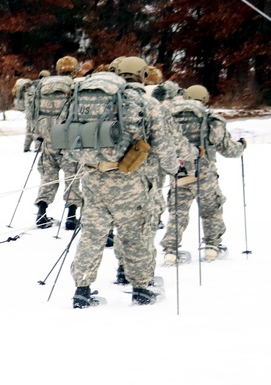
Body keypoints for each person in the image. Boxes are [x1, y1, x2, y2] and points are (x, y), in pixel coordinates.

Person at [57, 58, 191, 308]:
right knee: (135, 234)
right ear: (142, 75)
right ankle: (141, 287)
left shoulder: (85, 96)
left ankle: (82, 289)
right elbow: (163, 146)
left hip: (93, 177)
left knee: (92, 234)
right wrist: (176, 170)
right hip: (131, 180)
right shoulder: (147, 103)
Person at [159, 84, 247, 263]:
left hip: (179, 173)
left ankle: (170, 251)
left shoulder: (170, 117)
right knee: (211, 210)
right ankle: (211, 247)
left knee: (178, 213)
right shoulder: (211, 119)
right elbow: (228, 149)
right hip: (205, 174)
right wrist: (242, 146)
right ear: (205, 99)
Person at [30, 56, 83, 230]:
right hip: (68, 139)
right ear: (74, 70)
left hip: (48, 139)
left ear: (58, 69)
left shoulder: (44, 85)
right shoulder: (75, 86)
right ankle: (71, 216)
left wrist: (37, 134)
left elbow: (33, 111)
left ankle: (42, 213)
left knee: (48, 176)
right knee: (72, 178)